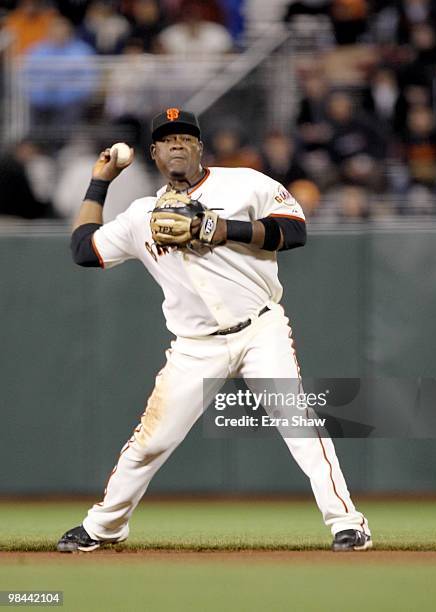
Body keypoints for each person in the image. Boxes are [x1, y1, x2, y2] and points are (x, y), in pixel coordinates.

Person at [57, 108, 372, 553]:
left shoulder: (244, 183)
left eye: (186, 137)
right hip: (194, 345)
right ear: (154, 153)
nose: (178, 145)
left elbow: (296, 230)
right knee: (152, 441)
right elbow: (82, 249)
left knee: (297, 422)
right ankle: (104, 527)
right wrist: (100, 181)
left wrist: (224, 229)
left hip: (259, 330)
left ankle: (348, 523)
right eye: (168, 140)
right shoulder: (139, 215)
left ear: (200, 147)